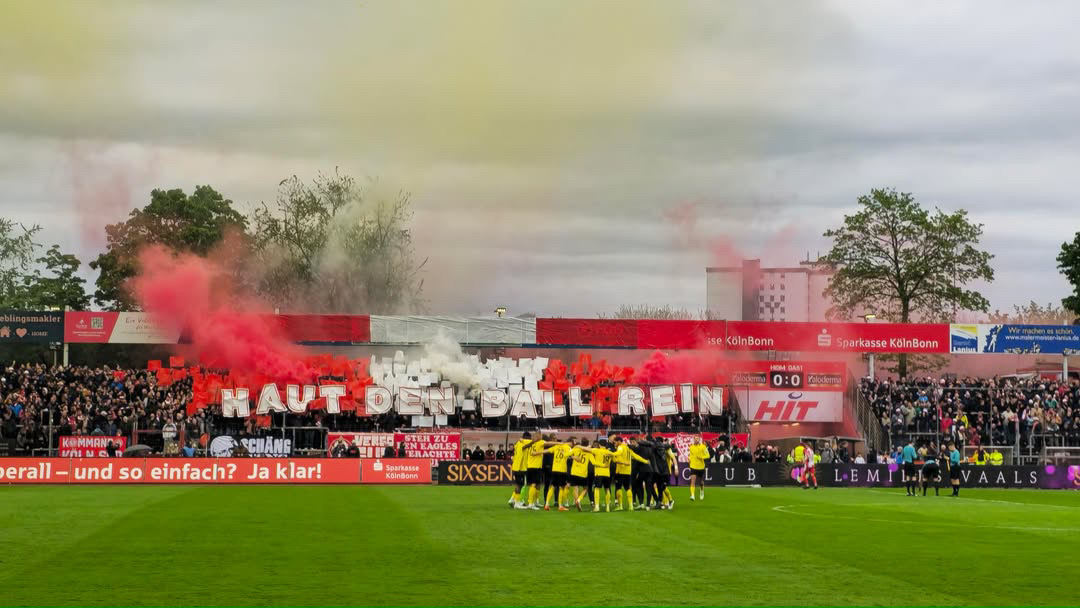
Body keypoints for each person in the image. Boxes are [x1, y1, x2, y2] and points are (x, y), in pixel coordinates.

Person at [611, 435, 647, 511]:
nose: (614, 444)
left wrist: (612, 454)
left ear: (619, 442)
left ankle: (620, 506)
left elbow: (618, 453)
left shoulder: (620, 447)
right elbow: (636, 456)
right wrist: (645, 461)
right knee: (628, 488)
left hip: (620, 471)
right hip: (627, 472)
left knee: (618, 488)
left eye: (615, 443)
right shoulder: (628, 449)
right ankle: (631, 506)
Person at [583, 440, 615, 512]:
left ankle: (597, 507)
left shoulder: (597, 451)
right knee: (607, 489)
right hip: (607, 473)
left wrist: (578, 446)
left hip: (599, 473)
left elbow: (587, 450)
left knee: (597, 489)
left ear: (599, 445)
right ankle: (607, 507)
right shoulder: (609, 452)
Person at [543, 439, 574, 511]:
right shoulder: (567, 447)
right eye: (572, 443)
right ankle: (560, 506)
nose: (572, 445)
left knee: (552, 487)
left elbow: (546, 451)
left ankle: (547, 504)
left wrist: (537, 452)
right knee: (562, 487)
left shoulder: (556, 447)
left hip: (554, 469)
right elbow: (570, 454)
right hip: (562, 470)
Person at [508, 432, 537, 509]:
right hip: (520, 468)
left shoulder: (517, 443)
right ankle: (517, 503)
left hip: (516, 467)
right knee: (520, 485)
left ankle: (513, 500)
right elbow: (532, 442)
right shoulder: (522, 442)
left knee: (519, 484)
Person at [568, 438, 593, 511]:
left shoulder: (576, 449)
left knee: (576, 487)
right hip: (583, 473)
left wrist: (572, 456)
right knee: (585, 488)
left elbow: (569, 454)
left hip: (574, 471)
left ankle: (576, 501)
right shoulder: (589, 452)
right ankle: (579, 499)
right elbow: (593, 462)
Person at [688, 434, 710, 501]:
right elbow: (691, 455)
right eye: (695, 439)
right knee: (693, 480)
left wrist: (701, 457)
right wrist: (690, 459)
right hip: (693, 466)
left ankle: (702, 490)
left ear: (699, 439)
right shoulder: (691, 447)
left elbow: (708, 455)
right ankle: (692, 495)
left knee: (701, 482)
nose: (696, 440)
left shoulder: (703, 447)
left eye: (697, 439)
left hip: (700, 467)